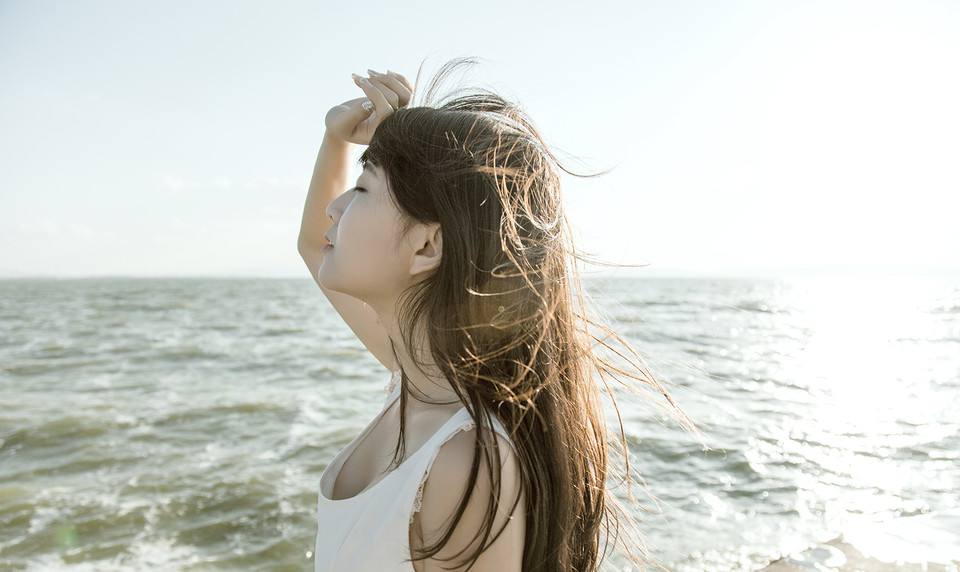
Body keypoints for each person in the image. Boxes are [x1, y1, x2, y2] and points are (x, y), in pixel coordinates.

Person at [299, 60, 686, 572]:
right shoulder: (418, 377)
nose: (336, 208)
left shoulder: (465, 461)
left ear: (428, 245)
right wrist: (336, 140)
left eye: (364, 189)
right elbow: (313, 244)